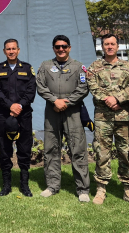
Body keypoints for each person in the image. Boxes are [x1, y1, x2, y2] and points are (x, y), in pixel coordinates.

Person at [87, 34, 129, 206]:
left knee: (125, 153)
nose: (109, 47)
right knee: (102, 152)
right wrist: (108, 100)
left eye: (112, 44)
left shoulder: (128, 67)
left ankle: (128, 190)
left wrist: (117, 99)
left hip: (123, 117)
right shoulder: (94, 67)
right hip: (103, 117)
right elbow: (92, 86)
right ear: (102, 47)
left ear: (118, 46)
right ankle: (101, 188)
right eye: (106, 44)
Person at [36, 35, 90, 202]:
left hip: (72, 112)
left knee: (78, 150)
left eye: (64, 46)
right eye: (58, 46)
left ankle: (82, 189)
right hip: (52, 112)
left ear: (69, 47)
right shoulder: (45, 66)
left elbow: (83, 88)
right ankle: (52, 186)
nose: (61, 49)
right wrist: (54, 101)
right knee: (51, 149)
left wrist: (67, 102)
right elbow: (40, 86)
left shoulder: (79, 67)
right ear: (53, 48)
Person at [0, 38, 36, 197]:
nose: (11, 51)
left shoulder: (28, 69)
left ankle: (24, 185)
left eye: (14, 49)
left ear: (18, 50)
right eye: (8, 49)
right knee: (4, 149)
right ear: (4, 51)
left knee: (24, 149)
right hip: (4, 114)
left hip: (24, 115)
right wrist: (10, 106)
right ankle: (6, 185)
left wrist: (19, 106)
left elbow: (31, 91)